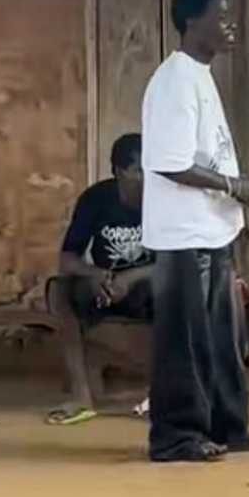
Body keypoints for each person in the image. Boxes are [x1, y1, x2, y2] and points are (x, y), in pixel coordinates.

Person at [140, 0, 249, 463]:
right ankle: (177, 436)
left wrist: (238, 192)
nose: (230, 23)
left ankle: (225, 426)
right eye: (221, 15)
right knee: (186, 343)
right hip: (184, 237)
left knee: (220, 339)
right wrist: (234, 187)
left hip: (211, 232)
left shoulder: (200, 75)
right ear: (192, 21)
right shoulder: (175, 80)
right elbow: (170, 162)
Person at [46, 133, 151, 426]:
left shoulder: (165, 200)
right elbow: (67, 258)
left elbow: (176, 262)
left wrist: (131, 277)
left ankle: (162, 395)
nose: (147, 178)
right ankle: (82, 398)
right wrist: (94, 274)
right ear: (119, 172)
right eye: (139, 170)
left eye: (152, 169)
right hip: (105, 286)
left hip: (148, 284)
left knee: (177, 288)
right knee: (59, 290)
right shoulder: (96, 199)